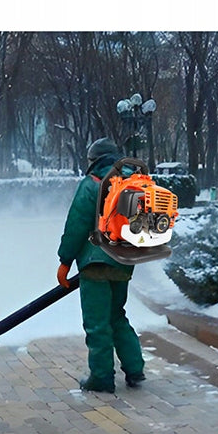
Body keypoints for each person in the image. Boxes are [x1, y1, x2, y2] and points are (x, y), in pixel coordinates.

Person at [56, 137, 145, 393]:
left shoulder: (92, 183)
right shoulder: (132, 184)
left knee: (97, 323)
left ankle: (102, 377)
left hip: (95, 264)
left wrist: (65, 261)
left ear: (94, 160)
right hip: (123, 262)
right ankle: (135, 368)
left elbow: (76, 225)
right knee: (117, 315)